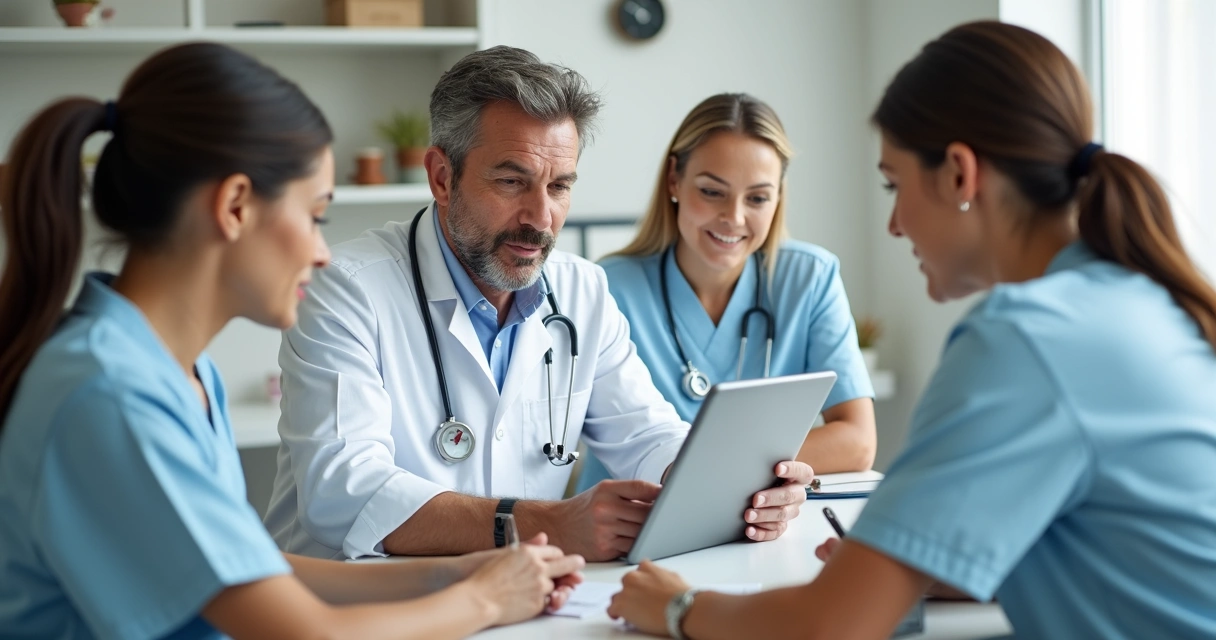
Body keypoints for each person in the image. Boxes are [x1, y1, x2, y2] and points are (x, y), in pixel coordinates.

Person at [607, 21, 1216, 639]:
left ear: (959, 173)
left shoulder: (1023, 339)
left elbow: (831, 626)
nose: (894, 225)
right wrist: (922, 559)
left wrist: (678, 608)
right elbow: (1105, 543)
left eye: (893, 184)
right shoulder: (1141, 300)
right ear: (675, 183)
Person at [0, 43, 585, 640]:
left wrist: (459, 574)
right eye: (315, 216)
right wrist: (484, 602)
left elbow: (253, 569)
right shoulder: (111, 391)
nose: (321, 251)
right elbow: (305, 634)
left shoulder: (179, 371)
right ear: (233, 208)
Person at [263, 46, 813, 563]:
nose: (541, 217)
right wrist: (533, 523)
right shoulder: (345, 289)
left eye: (559, 187)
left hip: (516, 603)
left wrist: (734, 488)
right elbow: (341, 492)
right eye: (512, 181)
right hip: (356, 611)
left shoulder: (581, 291)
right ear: (441, 177)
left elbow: (647, 435)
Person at [576, 93, 876, 492]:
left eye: (757, 198)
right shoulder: (607, 288)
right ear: (674, 180)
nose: (734, 217)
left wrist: (711, 468)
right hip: (626, 529)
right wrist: (752, 462)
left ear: (778, 198)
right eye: (712, 191)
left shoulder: (810, 279)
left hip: (754, 527)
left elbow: (857, 442)